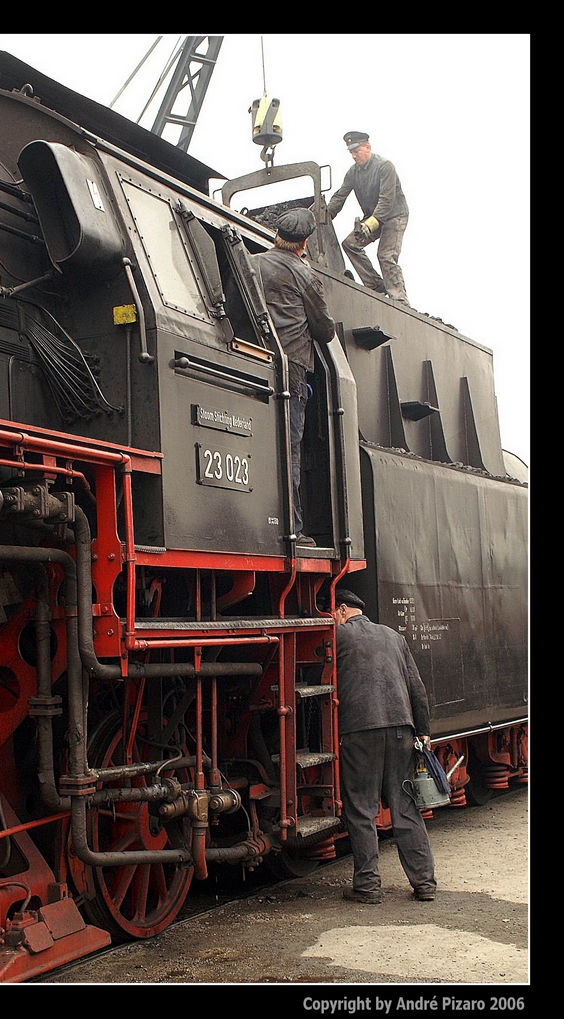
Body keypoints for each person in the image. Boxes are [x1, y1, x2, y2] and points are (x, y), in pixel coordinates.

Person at [332, 588, 437, 903]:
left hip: (359, 730)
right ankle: (425, 884)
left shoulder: (338, 638)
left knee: (362, 809)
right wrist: (424, 730)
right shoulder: (394, 637)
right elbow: (416, 688)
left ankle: (367, 887)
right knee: (404, 807)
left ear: (340, 610)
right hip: (401, 729)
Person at [256, 208, 336, 547]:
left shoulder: (252, 263)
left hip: (255, 360)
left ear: (276, 236)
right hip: (291, 369)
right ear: (303, 243)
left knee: (257, 445)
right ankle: (292, 529)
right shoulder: (305, 274)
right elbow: (324, 329)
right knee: (289, 448)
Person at [328, 132, 410, 306]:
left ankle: (399, 299)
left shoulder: (385, 167)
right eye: (351, 152)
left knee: (386, 255)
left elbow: (387, 201)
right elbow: (340, 196)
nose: (353, 155)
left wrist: (371, 224)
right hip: (373, 216)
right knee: (350, 244)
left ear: (368, 147)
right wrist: (326, 215)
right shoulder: (353, 172)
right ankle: (375, 285)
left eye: (356, 150)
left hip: (394, 216)